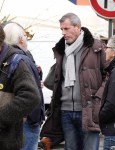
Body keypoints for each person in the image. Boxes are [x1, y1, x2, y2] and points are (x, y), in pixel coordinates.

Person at [40, 12, 107, 150]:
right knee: (70, 148)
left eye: (66, 28)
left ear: (77, 27)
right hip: (65, 110)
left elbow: (108, 75)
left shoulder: (96, 48)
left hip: (88, 109)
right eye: (61, 29)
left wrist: (98, 97)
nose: (63, 33)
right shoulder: (61, 50)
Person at [3, 22, 45, 150]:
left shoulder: (8, 58)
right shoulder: (21, 58)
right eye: (26, 36)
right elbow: (29, 95)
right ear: (21, 39)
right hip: (27, 120)